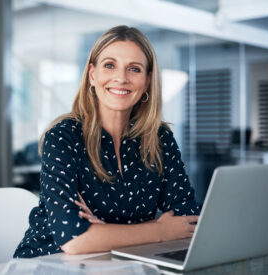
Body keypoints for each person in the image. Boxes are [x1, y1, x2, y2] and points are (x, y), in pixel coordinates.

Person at [13, 25, 200, 258]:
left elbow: (188, 221)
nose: (121, 78)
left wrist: (104, 233)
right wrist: (160, 230)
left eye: (134, 69)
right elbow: (74, 240)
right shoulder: (63, 137)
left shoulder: (159, 138)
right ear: (92, 75)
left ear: (147, 81)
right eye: (109, 65)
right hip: (48, 262)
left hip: (114, 262)